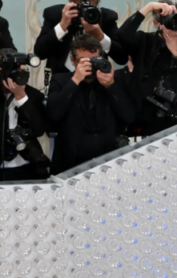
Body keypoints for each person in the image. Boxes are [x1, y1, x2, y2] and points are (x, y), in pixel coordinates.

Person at [116, 0, 177, 138]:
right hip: (145, 120)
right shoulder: (144, 42)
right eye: (166, 19)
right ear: (155, 23)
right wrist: (149, 7)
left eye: (175, 16)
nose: (172, 23)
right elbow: (122, 34)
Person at [46, 35, 136, 174]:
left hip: (109, 163)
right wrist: (75, 80)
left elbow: (129, 117)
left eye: (94, 60)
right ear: (72, 60)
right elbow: (53, 114)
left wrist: (110, 86)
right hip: (70, 164)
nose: (90, 65)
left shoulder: (115, 80)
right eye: (84, 61)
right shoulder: (61, 80)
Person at [0, 49, 50, 182]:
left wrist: (21, 96)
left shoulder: (33, 95)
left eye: (18, 68)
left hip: (26, 165)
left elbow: (39, 130)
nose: (13, 73)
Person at [33, 0, 128, 75]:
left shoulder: (106, 17)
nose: (85, 9)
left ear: (97, 1)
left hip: (97, 80)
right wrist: (61, 27)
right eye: (80, 5)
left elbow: (122, 58)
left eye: (90, 5)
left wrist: (100, 36)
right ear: (70, 1)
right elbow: (39, 53)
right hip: (61, 80)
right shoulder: (55, 15)